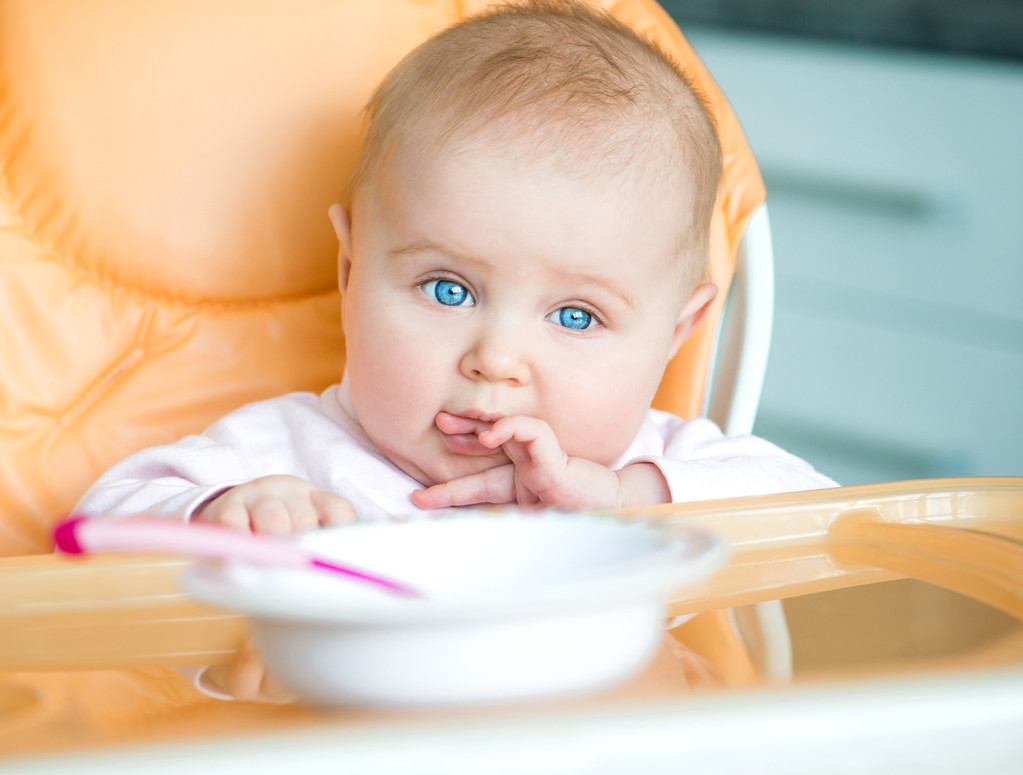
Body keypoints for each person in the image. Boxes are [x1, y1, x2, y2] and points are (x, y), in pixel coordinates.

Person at [75, 0, 834, 701]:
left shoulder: (646, 469)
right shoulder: (288, 455)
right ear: (351, 271)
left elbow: (823, 520)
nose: (495, 359)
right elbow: (101, 535)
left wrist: (620, 499)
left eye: (574, 314)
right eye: (447, 290)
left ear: (676, 334)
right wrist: (224, 518)